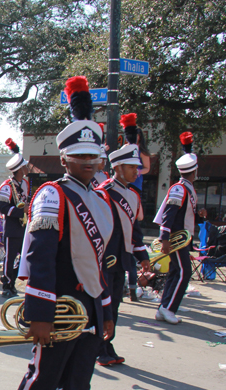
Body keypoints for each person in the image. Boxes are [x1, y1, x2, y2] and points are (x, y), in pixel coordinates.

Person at [0, 76, 114, 390]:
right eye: (79, 157)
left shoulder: (101, 197)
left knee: (78, 384)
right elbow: (39, 257)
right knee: (43, 379)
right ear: (64, 158)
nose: (88, 162)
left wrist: (107, 310)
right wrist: (39, 312)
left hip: (90, 306)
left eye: (93, 155)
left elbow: (103, 261)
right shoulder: (51, 196)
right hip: (59, 306)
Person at [94, 113, 150, 366]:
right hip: (104, 258)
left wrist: (143, 256)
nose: (136, 171)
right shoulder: (103, 192)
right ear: (117, 168)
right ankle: (99, 346)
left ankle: (106, 342)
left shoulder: (133, 195)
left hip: (122, 259)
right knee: (102, 304)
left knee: (114, 304)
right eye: (131, 167)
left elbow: (134, 230)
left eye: (137, 167)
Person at [153, 131, 198, 324]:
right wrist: (165, 239)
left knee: (176, 271)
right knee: (183, 272)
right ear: (194, 171)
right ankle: (168, 308)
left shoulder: (185, 188)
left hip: (181, 238)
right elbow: (168, 215)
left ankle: (164, 307)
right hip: (175, 239)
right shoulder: (180, 188)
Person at [0, 138, 30, 298]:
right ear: (20, 168)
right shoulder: (6, 186)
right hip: (12, 227)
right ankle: (6, 284)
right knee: (10, 258)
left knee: (19, 257)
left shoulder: (24, 184)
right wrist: (21, 212)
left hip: (23, 226)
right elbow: (4, 208)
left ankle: (13, 282)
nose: (27, 167)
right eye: (25, 165)